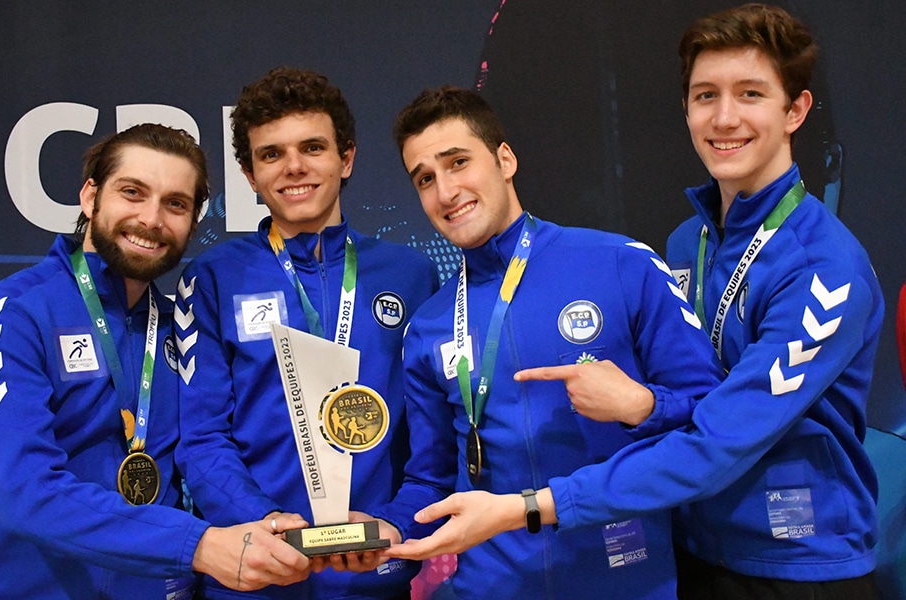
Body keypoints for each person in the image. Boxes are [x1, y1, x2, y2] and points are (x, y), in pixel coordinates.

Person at [389, 5, 885, 599]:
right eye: (706, 96)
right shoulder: (689, 242)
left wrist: (535, 503)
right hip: (695, 548)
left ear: (796, 110)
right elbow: (430, 472)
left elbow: (718, 437)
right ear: (686, 109)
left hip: (796, 563)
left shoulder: (823, 268)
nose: (724, 117)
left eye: (750, 93)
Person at [369, 86, 724, 599]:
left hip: (626, 579)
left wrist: (643, 406)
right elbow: (431, 478)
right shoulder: (430, 325)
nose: (445, 192)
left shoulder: (622, 264)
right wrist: (390, 529)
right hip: (491, 589)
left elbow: (713, 418)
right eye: (425, 178)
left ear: (505, 160)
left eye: (458, 162)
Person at [0, 123, 311, 599]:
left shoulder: (180, 326)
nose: (151, 219)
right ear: (90, 196)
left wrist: (267, 521)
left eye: (175, 204)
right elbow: (26, 493)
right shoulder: (11, 315)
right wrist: (198, 545)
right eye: (132, 192)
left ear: (193, 224)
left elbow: (206, 452)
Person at [174, 67, 440, 599]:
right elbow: (202, 438)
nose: (294, 167)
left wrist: (398, 522)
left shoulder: (410, 274)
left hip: (375, 576)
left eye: (312, 148)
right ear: (250, 176)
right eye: (271, 154)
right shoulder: (213, 278)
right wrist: (264, 523)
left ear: (347, 158)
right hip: (256, 575)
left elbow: (432, 440)